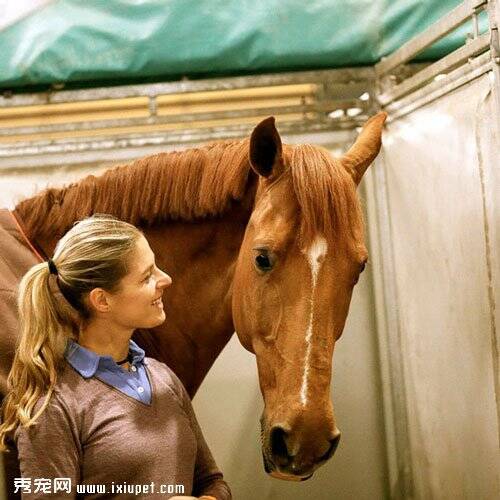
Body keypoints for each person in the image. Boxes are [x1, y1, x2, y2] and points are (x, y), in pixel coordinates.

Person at [0, 214, 231, 500]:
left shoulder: (164, 378)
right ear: (102, 300)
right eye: (147, 276)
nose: (165, 279)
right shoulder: (54, 407)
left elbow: (213, 482)